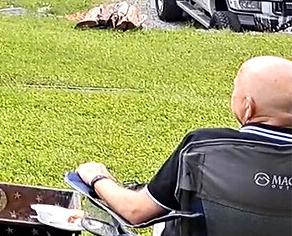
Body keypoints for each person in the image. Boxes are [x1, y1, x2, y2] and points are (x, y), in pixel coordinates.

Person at [75, 55, 292, 233]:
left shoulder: (204, 148)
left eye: (234, 89)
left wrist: (97, 178)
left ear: (248, 107)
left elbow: (135, 212)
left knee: (165, 213)